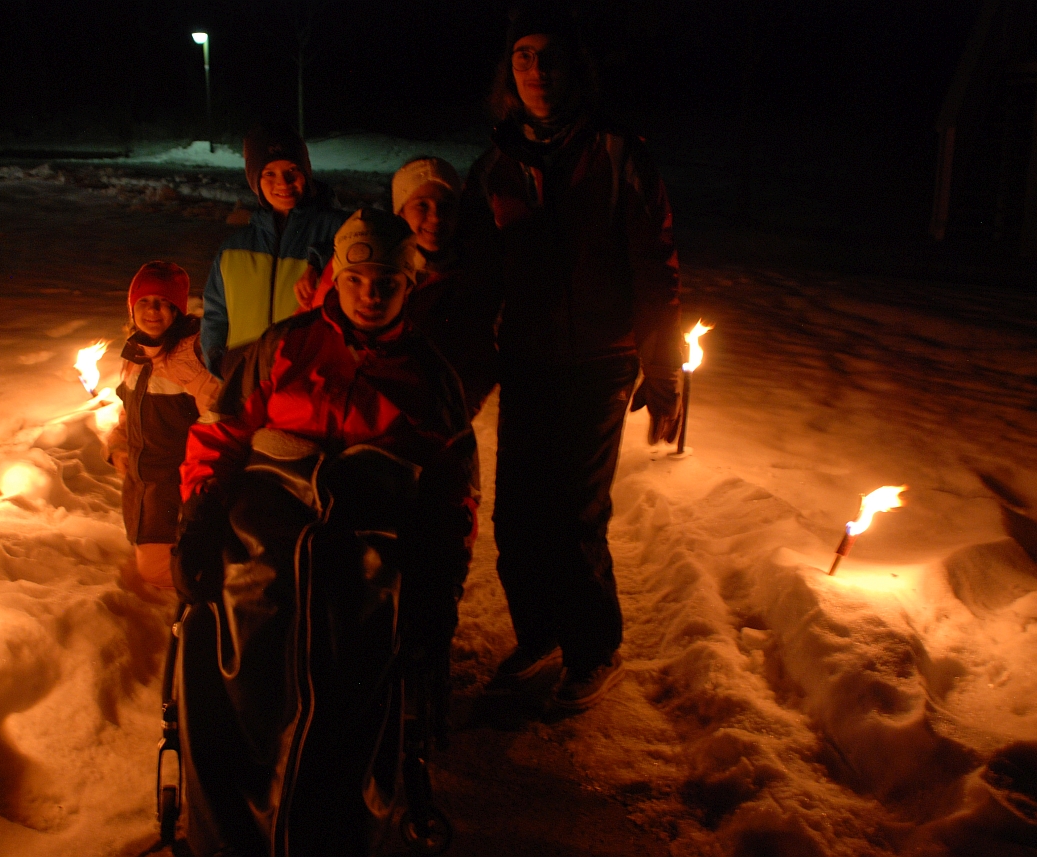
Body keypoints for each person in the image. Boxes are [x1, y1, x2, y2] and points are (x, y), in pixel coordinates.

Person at [173, 209, 478, 856]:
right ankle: (232, 819)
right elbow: (221, 433)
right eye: (359, 278)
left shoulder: (429, 378)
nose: (371, 293)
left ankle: (326, 826)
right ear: (336, 277)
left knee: (352, 650)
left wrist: (442, 578)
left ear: (408, 287)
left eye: (387, 283)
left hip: (368, 532)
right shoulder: (284, 346)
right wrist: (198, 515)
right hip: (272, 515)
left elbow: (454, 490)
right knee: (236, 622)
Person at [462, 4, 683, 710]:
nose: (537, 72)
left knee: (574, 513)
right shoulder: (496, 165)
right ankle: (541, 635)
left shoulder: (620, 153)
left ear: (573, 69)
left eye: (549, 57)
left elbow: (655, 266)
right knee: (515, 515)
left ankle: (594, 648)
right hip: (527, 357)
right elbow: (474, 276)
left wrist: (663, 366)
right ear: (509, 71)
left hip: (599, 358)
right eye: (523, 57)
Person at [300, 156, 500, 418]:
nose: (436, 216)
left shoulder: (469, 280)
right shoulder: (357, 263)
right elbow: (311, 342)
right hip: (346, 414)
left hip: (421, 423)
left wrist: (451, 415)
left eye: (446, 205)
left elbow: (477, 361)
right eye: (422, 205)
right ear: (400, 210)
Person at [104, 261, 222, 591]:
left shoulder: (191, 357)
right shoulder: (135, 353)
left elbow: (216, 421)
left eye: (162, 302)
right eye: (144, 301)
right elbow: (128, 414)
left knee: (164, 576)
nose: (152, 310)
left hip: (178, 488)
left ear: (177, 309)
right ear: (132, 307)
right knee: (153, 570)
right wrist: (118, 444)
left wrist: (204, 485)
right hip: (143, 488)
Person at [200, 122, 348, 378]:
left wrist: (320, 260)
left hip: (309, 383)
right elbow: (215, 315)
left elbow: (382, 245)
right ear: (254, 179)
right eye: (269, 173)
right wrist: (218, 362)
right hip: (246, 384)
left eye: (292, 170)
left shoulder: (341, 230)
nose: (284, 182)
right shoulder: (233, 249)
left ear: (306, 172)